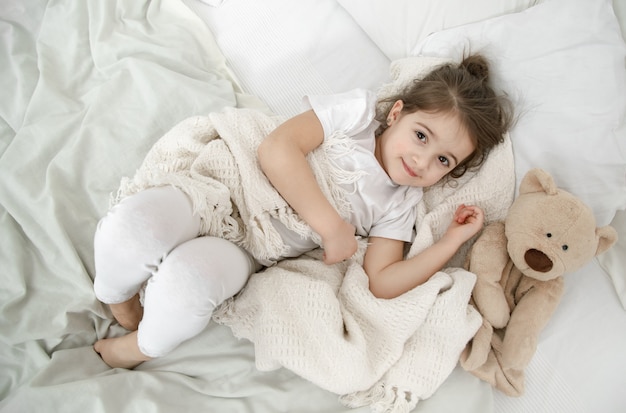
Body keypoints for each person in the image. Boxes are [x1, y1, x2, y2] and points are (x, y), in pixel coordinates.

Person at [93, 53, 513, 369]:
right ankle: (117, 296)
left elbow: (383, 282)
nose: (423, 162)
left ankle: (139, 347)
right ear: (398, 113)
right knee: (134, 228)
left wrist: (452, 241)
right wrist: (332, 227)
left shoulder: (401, 204)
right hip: (222, 188)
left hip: (252, 247)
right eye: (421, 136)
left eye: (444, 161)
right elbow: (277, 148)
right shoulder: (359, 116)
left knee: (189, 284)